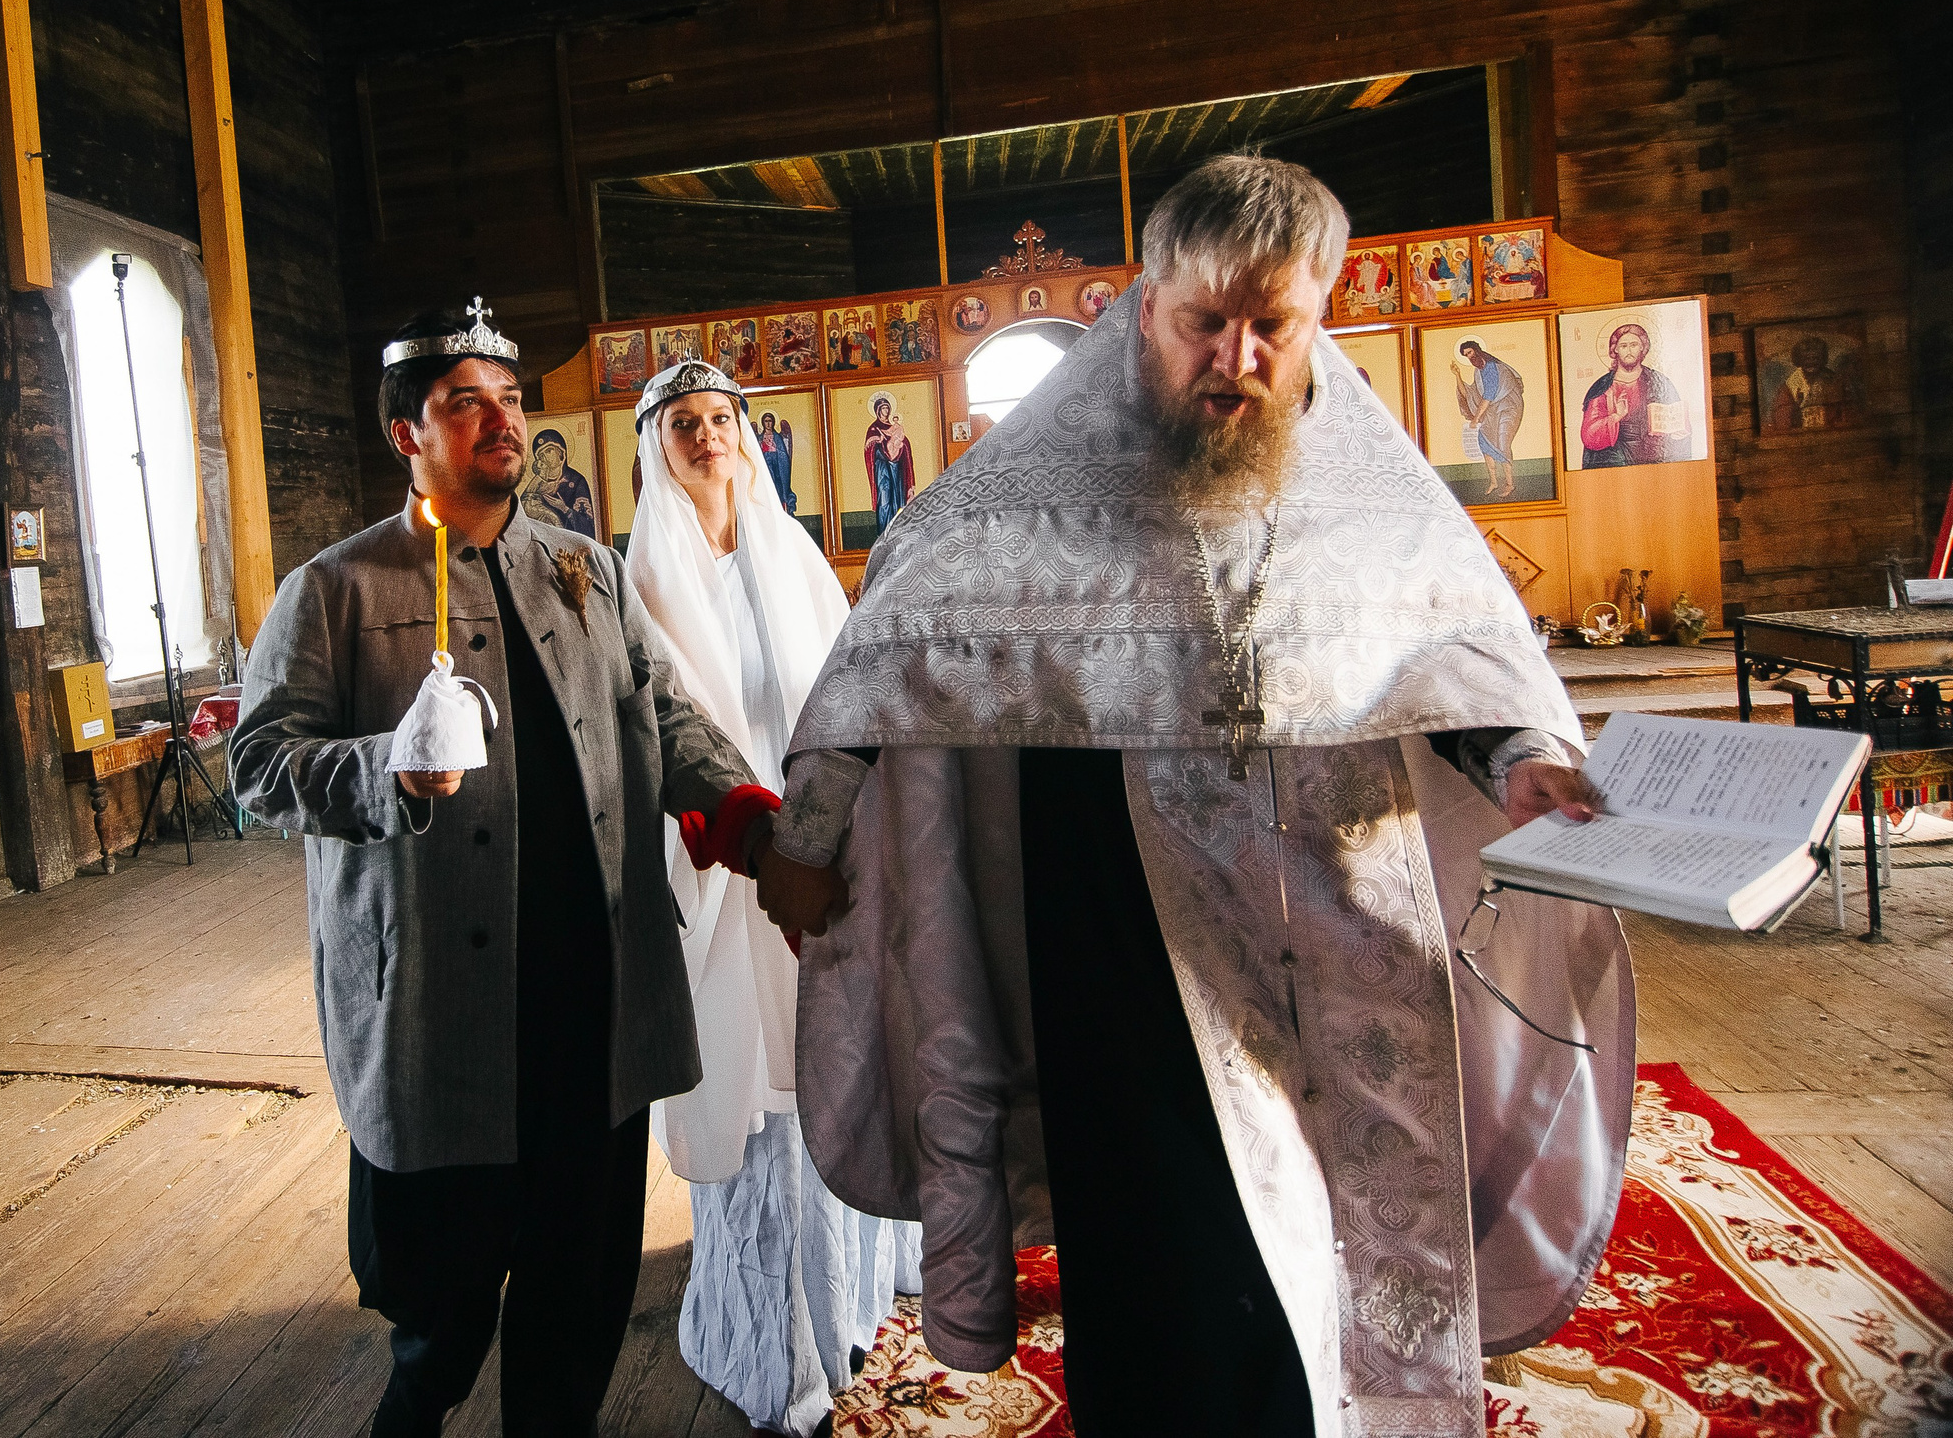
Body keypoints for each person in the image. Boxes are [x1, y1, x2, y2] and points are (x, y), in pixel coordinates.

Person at [750, 155, 1636, 1435]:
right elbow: (886, 660)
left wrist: (1521, 763)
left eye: (1272, 325)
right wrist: (808, 836)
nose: (1236, 357)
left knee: (1342, 1235)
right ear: (1142, 309)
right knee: (1168, 1263)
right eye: (1202, 321)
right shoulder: (1019, 491)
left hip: (1344, 930)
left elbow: (1457, 658)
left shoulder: (1369, 491)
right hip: (1127, 956)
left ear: (1314, 317)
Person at [230, 302, 775, 1438]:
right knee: (440, 1324)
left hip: (593, 1001)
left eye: (510, 399)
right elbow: (259, 768)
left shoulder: (584, 568)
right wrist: (387, 766)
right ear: (405, 433)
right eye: (462, 402)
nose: (499, 421)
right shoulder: (336, 591)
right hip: (444, 1011)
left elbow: (661, 711)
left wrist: (741, 813)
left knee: (576, 1313)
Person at [624, 361, 920, 1436]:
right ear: (655, 445)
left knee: (835, 1055)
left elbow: (848, 683)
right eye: (686, 423)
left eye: (721, 419)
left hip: (819, 836)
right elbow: (651, 731)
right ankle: (771, 1327)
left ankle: (855, 1279)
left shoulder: (790, 548)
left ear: (748, 436)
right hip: (717, 853)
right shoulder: (637, 577)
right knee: (751, 1078)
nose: (707, 436)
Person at [1579, 321, 1692, 466]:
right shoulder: (1603, 387)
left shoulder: (1658, 381)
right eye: (1623, 346)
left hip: (1652, 455)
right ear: (1616, 350)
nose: (1629, 351)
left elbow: (1677, 421)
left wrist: (1679, 435)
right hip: (1616, 457)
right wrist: (1616, 416)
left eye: (1633, 345)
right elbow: (1589, 435)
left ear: (1642, 348)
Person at [1456, 338, 1527, 499]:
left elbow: (1488, 395)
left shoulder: (1492, 367)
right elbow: (1470, 395)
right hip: (1492, 411)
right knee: (1484, 442)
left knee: (1502, 443)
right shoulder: (1479, 371)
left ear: (1476, 350)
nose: (1469, 357)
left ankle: (1509, 484)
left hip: (1507, 408)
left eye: (1470, 352)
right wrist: (1457, 375)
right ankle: (1494, 481)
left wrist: (1476, 419)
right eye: (1466, 355)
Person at [524, 427, 598, 537]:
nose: (545, 457)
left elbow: (587, 525)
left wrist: (564, 508)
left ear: (561, 452)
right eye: (541, 455)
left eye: (549, 451)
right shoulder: (536, 484)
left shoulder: (576, 481)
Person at [862, 396, 913, 533]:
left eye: (887, 408)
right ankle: (884, 531)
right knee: (884, 498)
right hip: (882, 469)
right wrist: (881, 445)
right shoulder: (873, 429)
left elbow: (905, 446)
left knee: (898, 497)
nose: (885, 411)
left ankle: (898, 530)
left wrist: (899, 446)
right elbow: (869, 452)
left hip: (897, 469)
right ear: (877, 411)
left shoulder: (895, 428)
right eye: (882, 408)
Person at [757, 411, 797, 515]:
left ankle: (782, 509)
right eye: (766, 421)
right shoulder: (759, 438)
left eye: (770, 421)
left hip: (777, 464)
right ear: (763, 423)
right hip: (765, 464)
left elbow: (783, 453)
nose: (768, 424)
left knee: (778, 487)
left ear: (773, 422)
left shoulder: (778, 437)